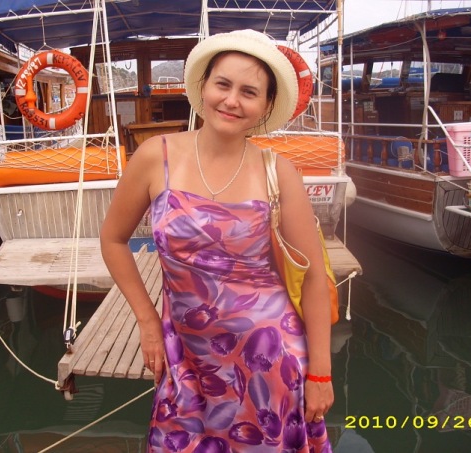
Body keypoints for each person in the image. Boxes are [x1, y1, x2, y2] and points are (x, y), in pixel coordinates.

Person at [100, 29, 334, 452]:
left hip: (268, 360)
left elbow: (314, 278)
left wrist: (320, 373)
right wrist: (147, 320)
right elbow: (113, 239)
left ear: (265, 106)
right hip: (186, 357)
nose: (231, 100)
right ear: (203, 86)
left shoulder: (278, 173)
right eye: (222, 84)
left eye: (249, 92)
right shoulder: (155, 156)